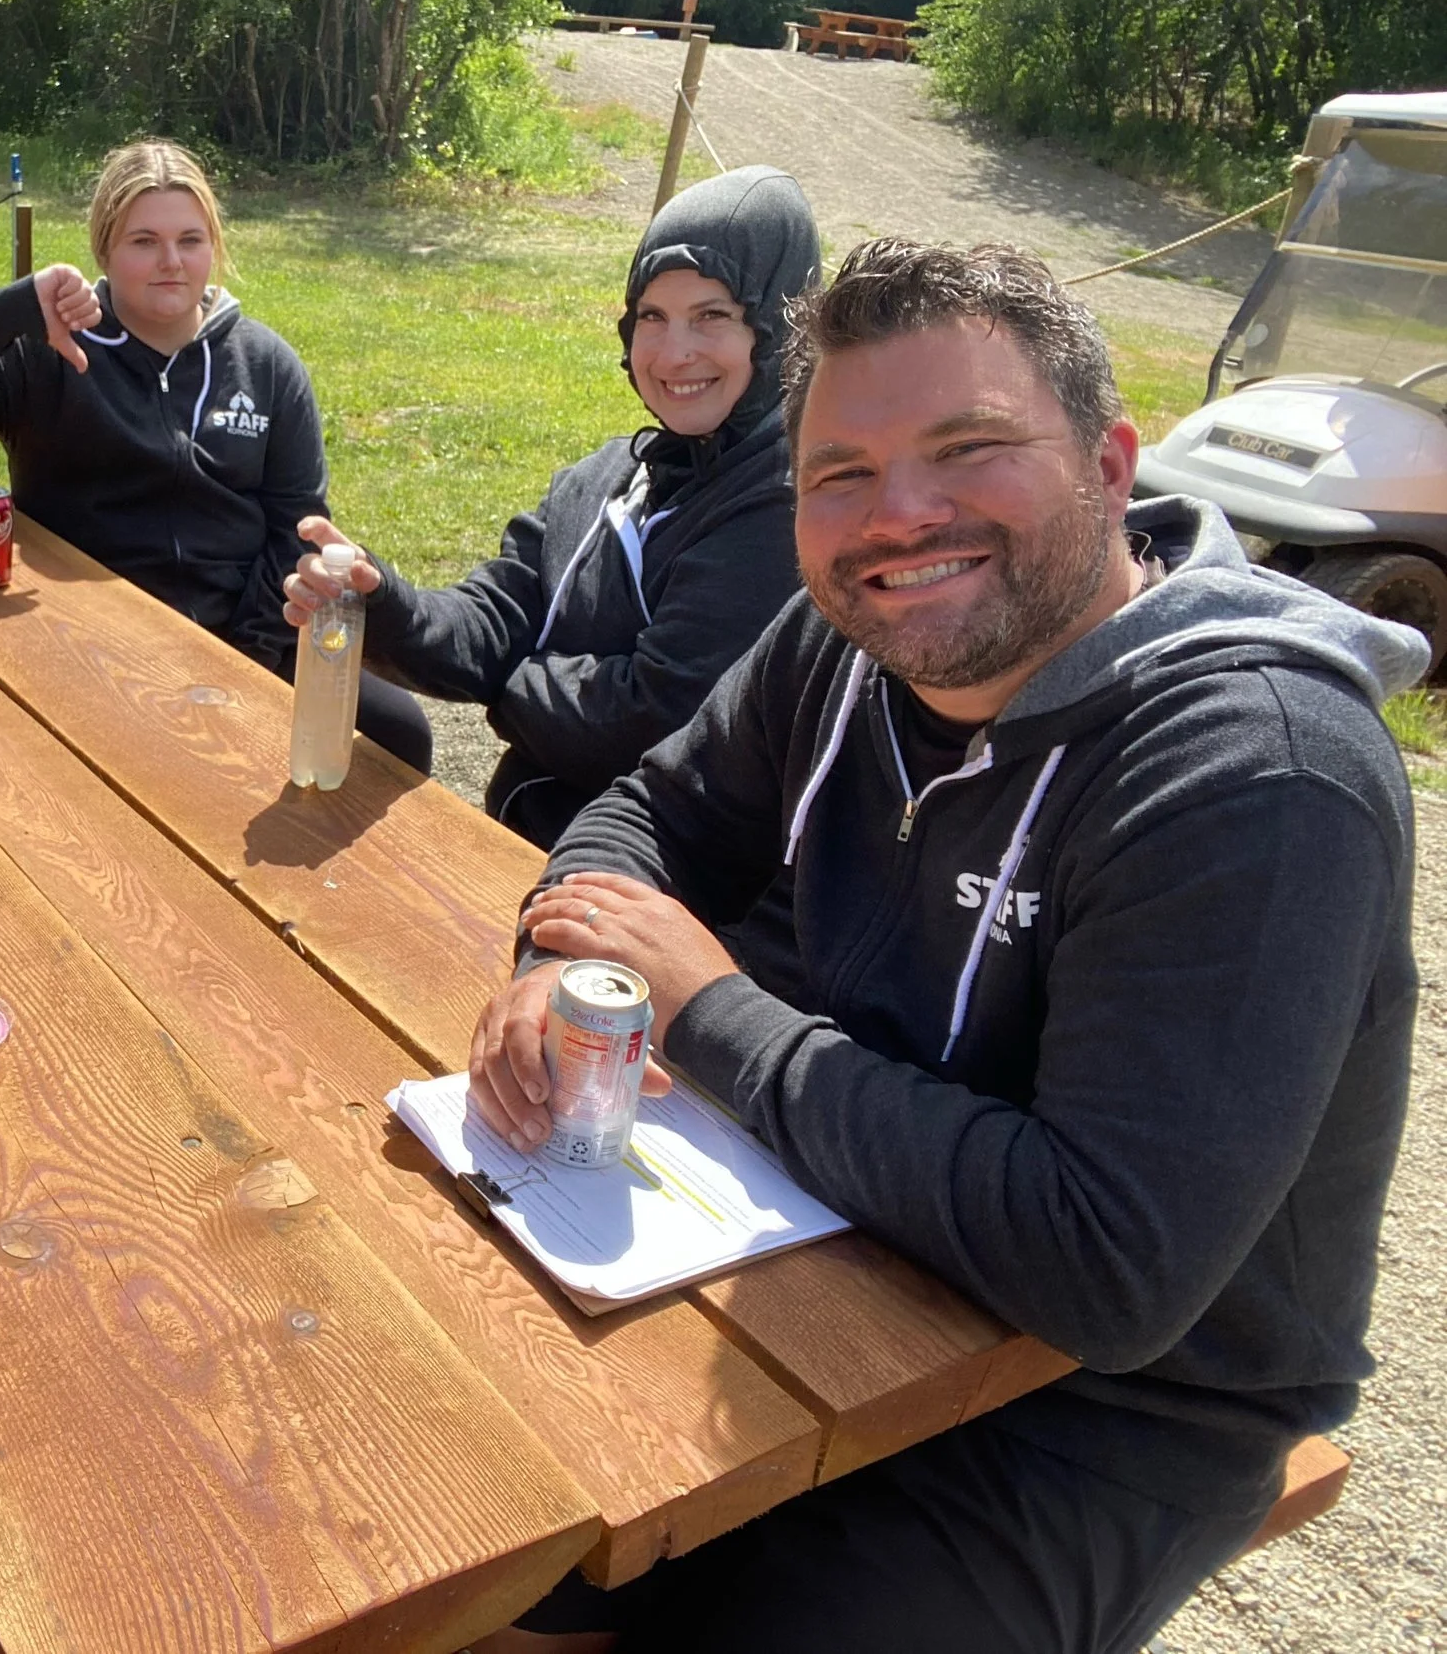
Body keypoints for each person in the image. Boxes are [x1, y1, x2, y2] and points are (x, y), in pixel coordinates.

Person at [470, 240, 1421, 1654]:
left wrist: (710, 1010)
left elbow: (1108, 1267)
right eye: (841, 472)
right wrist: (572, 966)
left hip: (1111, 1405)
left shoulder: (1257, 774)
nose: (897, 516)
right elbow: (654, 809)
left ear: (1108, 464)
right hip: (822, 1222)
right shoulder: (850, 639)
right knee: (509, 1513)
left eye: (967, 448)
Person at [283, 166, 818, 847]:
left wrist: (507, 684)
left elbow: (652, 721)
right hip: (521, 838)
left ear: (779, 329)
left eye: (712, 315)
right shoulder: (609, 478)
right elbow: (495, 615)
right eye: (652, 317)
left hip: (645, 879)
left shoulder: (785, 508)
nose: (674, 351)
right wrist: (382, 601)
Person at [0, 137, 434, 771]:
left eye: (190, 240)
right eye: (144, 241)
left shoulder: (266, 366)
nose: (171, 261)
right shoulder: (51, 352)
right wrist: (9, 310)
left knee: (400, 732)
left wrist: (241, 665)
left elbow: (296, 525)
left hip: (243, 635)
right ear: (104, 251)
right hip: (83, 641)